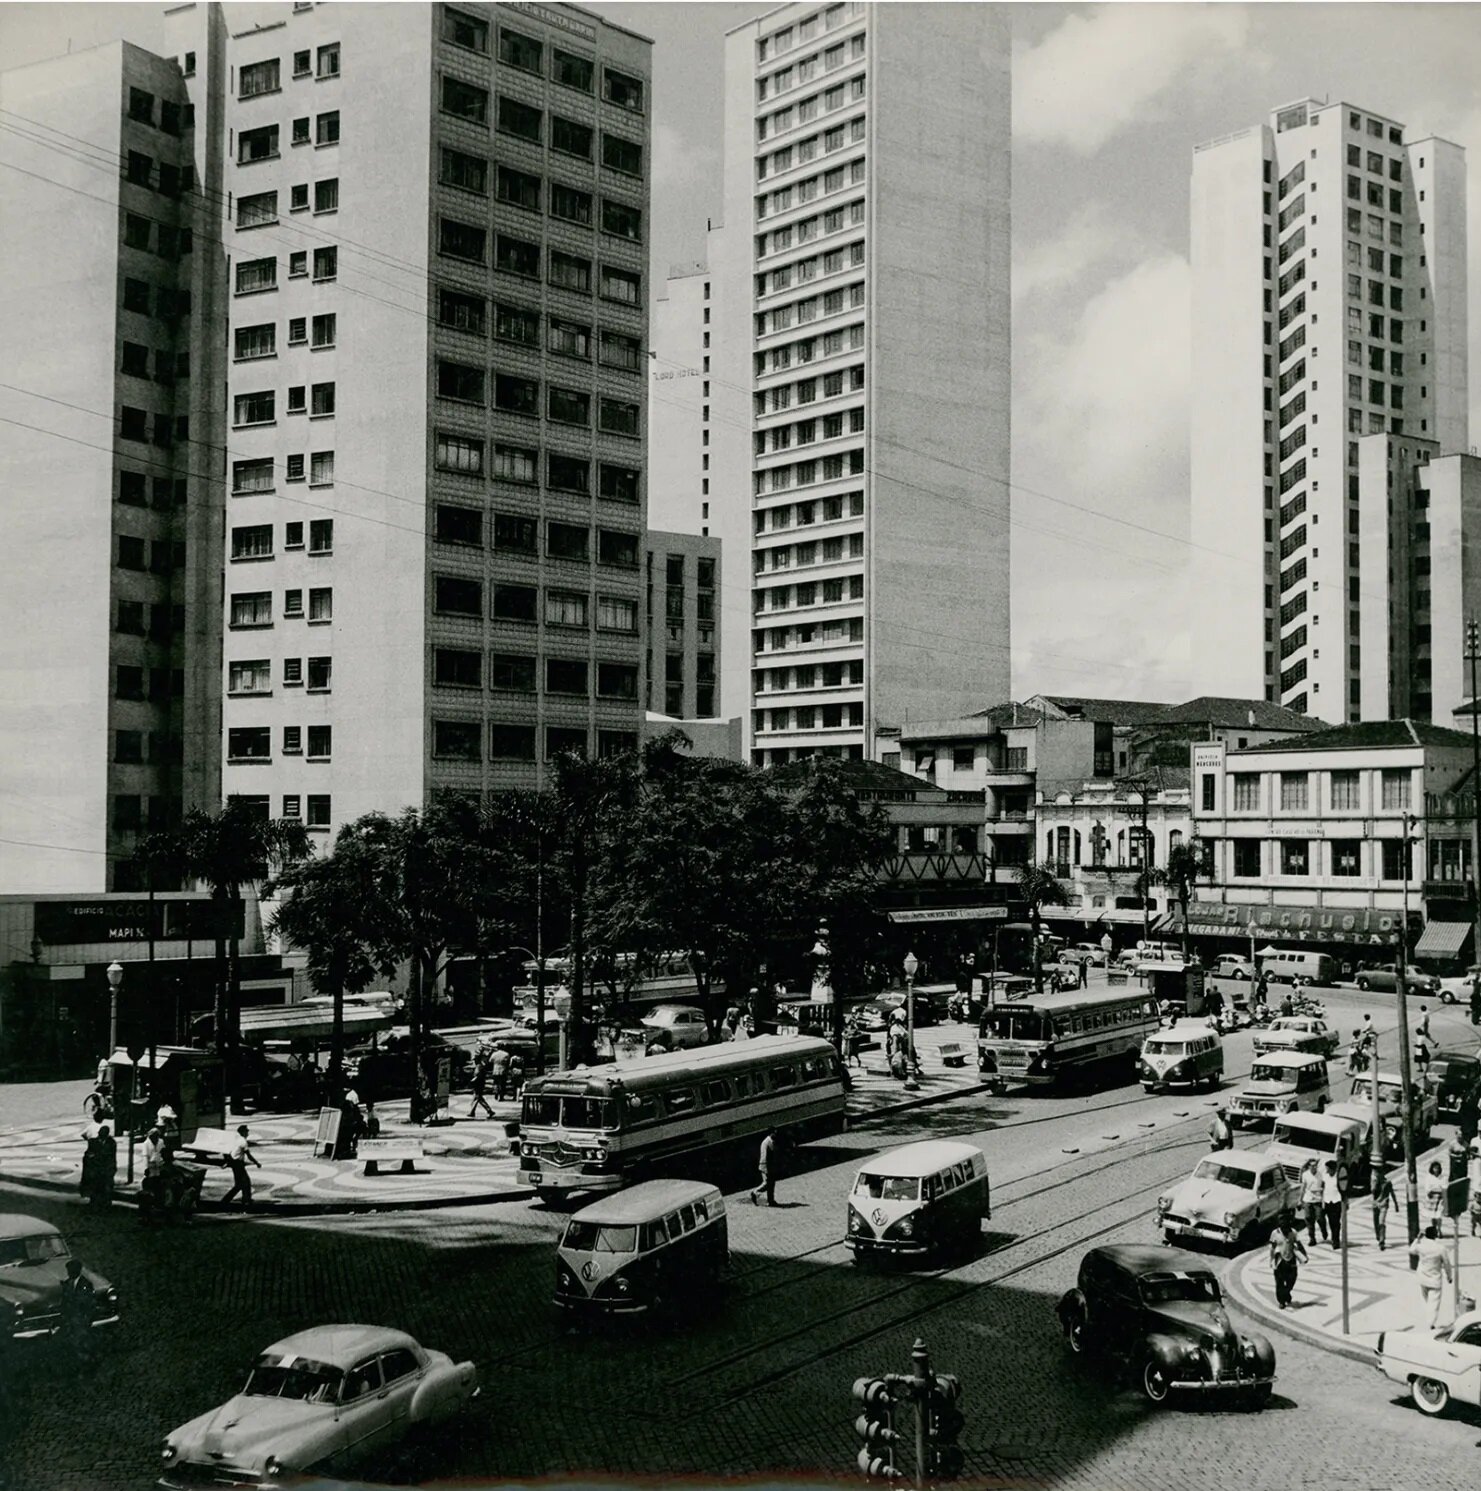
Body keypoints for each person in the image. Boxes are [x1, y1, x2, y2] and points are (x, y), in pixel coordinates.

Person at [1409, 1222, 1453, 1329]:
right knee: (1434, 1302)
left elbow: (1411, 1250)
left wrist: (1417, 1239)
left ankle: (1427, 1320)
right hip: (1435, 1279)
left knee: (1426, 1300)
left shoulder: (1421, 1246)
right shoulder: (1440, 1248)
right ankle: (1430, 1323)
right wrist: (1449, 1276)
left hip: (1422, 1277)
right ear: (1435, 1235)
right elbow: (1447, 1263)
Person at [58, 1258, 95, 1363]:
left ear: (77, 1271)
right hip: (70, 1319)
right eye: (68, 1270)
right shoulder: (67, 1283)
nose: (69, 1273)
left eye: (71, 1270)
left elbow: (88, 1303)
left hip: (81, 1319)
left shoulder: (86, 1284)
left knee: (81, 1342)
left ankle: (86, 1362)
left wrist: (85, 1319)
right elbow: (65, 1302)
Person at [1269, 1217, 1307, 1310]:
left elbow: (1298, 1243)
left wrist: (1304, 1255)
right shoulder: (1275, 1233)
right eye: (1284, 1228)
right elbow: (1272, 1247)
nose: (1286, 1230)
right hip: (1279, 1260)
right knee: (1280, 1282)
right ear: (1280, 1227)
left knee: (1292, 1278)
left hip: (1291, 1259)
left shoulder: (1293, 1232)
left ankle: (1286, 1294)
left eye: (1287, 1227)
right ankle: (1281, 1301)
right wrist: (1271, 1259)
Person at [221, 1124, 261, 1209]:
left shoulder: (236, 1139)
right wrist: (256, 1163)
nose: (248, 1133)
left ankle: (233, 1200)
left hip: (234, 1162)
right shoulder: (243, 1142)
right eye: (246, 1131)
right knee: (245, 1182)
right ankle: (245, 1201)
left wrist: (227, 1161)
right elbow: (249, 1155)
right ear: (242, 1132)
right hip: (237, 1164)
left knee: (240, 1184)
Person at [80, 1124, 117, 1209]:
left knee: (106, 1187)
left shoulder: (111, 1143)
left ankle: (106, 1203)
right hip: (96, 1168)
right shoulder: (93, 1142)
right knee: (95, 1186)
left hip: (106, 1167)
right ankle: (94, 1202)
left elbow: (112, 1156)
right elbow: (88, 1154)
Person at [750, 1128, 780, 1207]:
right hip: (765, 1166)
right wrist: (766, 1168)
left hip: (770, 1166)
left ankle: (771, 1200)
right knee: (767, 1183)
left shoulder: (771, 1141)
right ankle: (755, 1192)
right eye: (774, 1133)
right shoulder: (766, 1142)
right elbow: (764, 1156)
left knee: (772, 1183)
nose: (776, 1135)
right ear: (770, 1133)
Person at [1298, 1158, 1325, 1247]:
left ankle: (1323, 1229)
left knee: (1319, 1217)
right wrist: (1300, 1200)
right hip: (1308, 1199)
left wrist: (1323, 1195)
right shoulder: (1305, 1175)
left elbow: (1324, 1186)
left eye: (1315, 1166)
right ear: (1309, 1166)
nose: (1314, 1167)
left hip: (1318, 1199)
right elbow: (1303, 1187)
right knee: (1309, 1218)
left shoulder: (1320, 1175)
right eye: (1312, 1166)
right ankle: (1312, 1238)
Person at [1371, 1168, 1397, 1250]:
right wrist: (1374, 1182)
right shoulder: (1374, 1182)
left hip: (1384, 1204)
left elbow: (1392, 1193)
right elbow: (1372, 1191)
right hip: (1375, 1204)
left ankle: (1382, 1240)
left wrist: (1396, 1204)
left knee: (1381, 1222)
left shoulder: (1387, 1183)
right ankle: (1378, 1236)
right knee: (1376, 1222)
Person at [1321, 1160, 1344, 1249]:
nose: (1326, 1170)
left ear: (1332, 1169)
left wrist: (1345, 1203)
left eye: (1328, 1169)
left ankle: (1336, 1240)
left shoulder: (1338, 1177)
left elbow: (1343, 1189)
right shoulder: (1325, 1176)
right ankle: (1332, 1236)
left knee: (1336, 1223)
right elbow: (1323, 1188)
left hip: (1336, 1201)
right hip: (1327, 1201)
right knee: (1330, 1222)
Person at [1421, 1159, 1447, 1233]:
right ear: (1432, 1169)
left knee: (1439, 1215)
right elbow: (1427, 1188)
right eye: (1435, 1168)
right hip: (1431, 1198)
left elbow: (1444, 1187)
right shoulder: (1428, 1177)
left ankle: (1439, 1229)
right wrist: (1432, 1191)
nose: (1436, 1170)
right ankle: (1434, 1228)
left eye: (1437, 1168)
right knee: (1432, 1215)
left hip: (1440, 1198)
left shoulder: (1443, 1177)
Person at [467, 1054, 495, 1119]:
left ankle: (488, 1111)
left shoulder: (479, 1066)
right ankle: (487, 1111)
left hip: (478, 1084)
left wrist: (471, 1081)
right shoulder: (479, 1066)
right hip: (479, 1084)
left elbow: (477, 1076)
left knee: (477, 1098)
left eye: (474, 1059)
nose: (473, 1061)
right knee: (478, 1098)